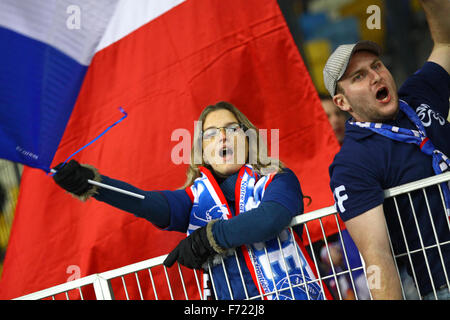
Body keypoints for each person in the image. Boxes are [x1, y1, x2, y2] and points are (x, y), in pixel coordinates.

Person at [52, 101, 329, 300]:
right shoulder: (194, 198)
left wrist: (209, 238)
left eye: (232, 129)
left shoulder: (278, 178)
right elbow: (144, 202)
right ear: (202, 152)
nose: (222, 136)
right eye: (210, 134)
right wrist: (94, 183)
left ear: (248, 140)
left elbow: (270, 219)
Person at [323, 0, 450, 300]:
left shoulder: (417, 93)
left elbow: (445, 41)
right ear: (343, 103)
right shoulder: (351, 164)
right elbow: (376, 256)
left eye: (376, 65)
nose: (376, 76)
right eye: (358, 77)